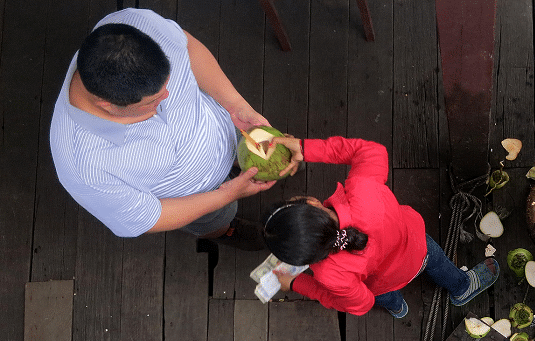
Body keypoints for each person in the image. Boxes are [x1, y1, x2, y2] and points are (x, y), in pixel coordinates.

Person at [49, 8, 298, 250]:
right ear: (107, 105)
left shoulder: (136, 25)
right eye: (152, 101)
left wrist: (236, 106)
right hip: (199, 197)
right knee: (218, 218)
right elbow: (150, 217)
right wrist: (225, 196)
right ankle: (225, 231)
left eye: (166, 86)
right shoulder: (84, 169)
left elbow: (189, 47)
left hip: (227, 130)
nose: (167, 96)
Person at [261, 136, 499, 317]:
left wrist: (296, 283)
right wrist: (304, 148)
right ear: (311, 203)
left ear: (303, 258)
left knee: (381, 294)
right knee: (440, 265)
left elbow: (361, 303)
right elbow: (370, 151)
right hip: (417, 248)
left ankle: (398, 308)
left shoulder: (328, 274)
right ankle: (462, 287)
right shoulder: (362, 190)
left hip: (381, 282)